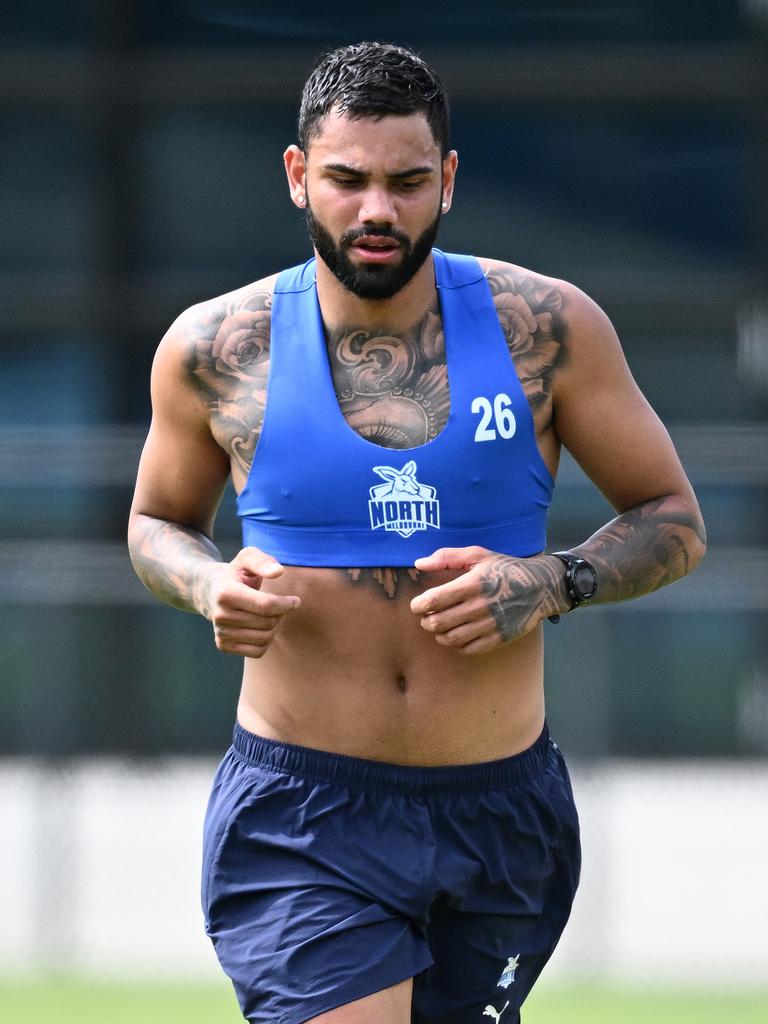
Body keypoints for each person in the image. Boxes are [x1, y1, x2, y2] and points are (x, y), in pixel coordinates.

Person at [128, 41, 706, 1024]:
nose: (377, 211)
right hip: (303, 814)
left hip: (500, 809)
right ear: (297, 176)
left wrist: (551, 582)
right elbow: (156, 524)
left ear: (446, 179)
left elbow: (675, 519)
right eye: (348, 180)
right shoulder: (215, 347)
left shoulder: (548, 328)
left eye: (405, 182)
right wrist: (206, 584)